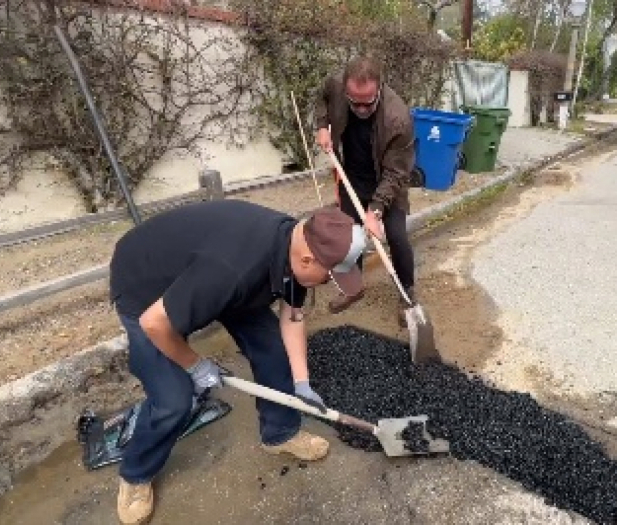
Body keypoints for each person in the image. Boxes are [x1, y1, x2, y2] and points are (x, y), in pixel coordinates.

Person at [108, 199, 367, 524]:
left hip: (211, 277)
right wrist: (195, 366)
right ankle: (135, 474)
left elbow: (293, 316)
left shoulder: (295, 248)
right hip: (146, 288)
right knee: (173, 399)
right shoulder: (233, 269)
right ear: (307, 259)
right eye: (329, 278)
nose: (329, 285)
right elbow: (155, 323)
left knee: (275, 350)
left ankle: (280, 433)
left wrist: (301, 382)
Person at [314, 55, 419, 326]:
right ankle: (353, 287)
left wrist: (376, 209)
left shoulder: (398, 118)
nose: (361, 108)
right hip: (352, 175)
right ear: (346, 89)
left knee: (396, 237)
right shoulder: (336, 85)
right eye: (354, 102)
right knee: (349, 235)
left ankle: (407, 294)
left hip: (387, 180)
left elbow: (397, 172)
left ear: (380, 88)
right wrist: (322, 126)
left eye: (368, 103)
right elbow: (322, 98)